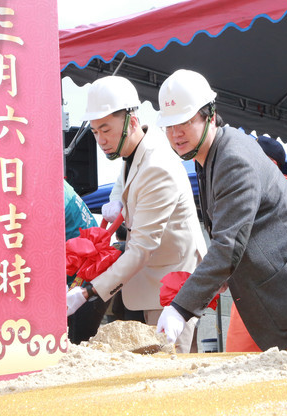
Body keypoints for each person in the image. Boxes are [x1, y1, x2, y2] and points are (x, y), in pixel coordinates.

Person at [155, 69, 287, 351]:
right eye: (169, 126)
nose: (176, 134)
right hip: (280, 290)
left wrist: (181, 308)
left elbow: (228, 245)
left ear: (209, 114)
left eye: (184, 122)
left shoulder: (232, 158)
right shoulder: (208, 152)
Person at [66, 76, 207, 353]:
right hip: (148, 280)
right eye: (95, 132)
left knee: (171, 373)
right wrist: (116, 198)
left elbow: (141, 248)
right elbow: (126, 178)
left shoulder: (157, 166)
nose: (100, 140)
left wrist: (86, 292)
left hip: (170, 284)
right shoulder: (137, 146)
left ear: (131, 121)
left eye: (105, 129)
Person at [225, 135, 287, 352]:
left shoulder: (284, 185)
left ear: (272, 163)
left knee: (257, 353)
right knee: (240, 352)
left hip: (269, 281)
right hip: (250, 281)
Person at [63, 179, 110, 344]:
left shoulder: (52, 191)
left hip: (83, 286)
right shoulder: (58, 185)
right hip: (83, 279)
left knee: (75, 346)